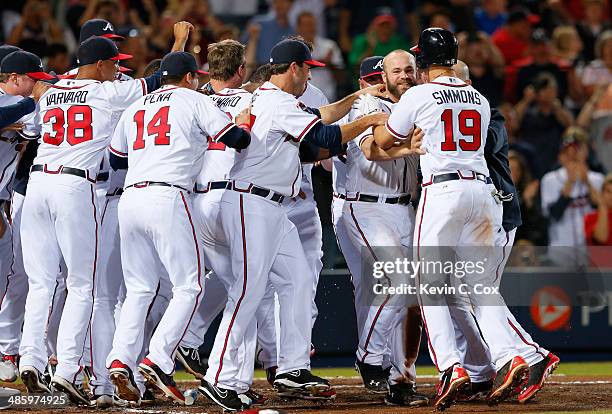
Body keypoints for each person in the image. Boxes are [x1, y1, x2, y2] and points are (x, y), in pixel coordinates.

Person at [199, 39, 389, 410]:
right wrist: (369, 119)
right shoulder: (276, 101)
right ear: (294, 68)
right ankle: (219, 377)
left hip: (271, 206)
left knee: (299, 279)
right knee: (248, 291)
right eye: (308, 68)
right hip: (249, 201)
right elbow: (324, 137)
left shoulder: (275, 100)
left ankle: (293, 366)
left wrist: (354, 101)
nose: (310, 74)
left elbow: (315, 129)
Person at [17, 21, 190, 403]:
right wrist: (178, 41)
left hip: (37, 184)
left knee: (42, 283)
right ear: (98, 66)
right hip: (75, 186)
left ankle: (29, 358)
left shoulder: (52, 88)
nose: (117, 69)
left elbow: (29, 131)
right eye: (113, 63)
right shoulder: (108, 92)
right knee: (83, 284)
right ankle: (65, 370)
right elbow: (161, 80)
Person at [374, 28, 529, 410]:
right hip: (482, 193)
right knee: (481, 288)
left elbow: (386, 140)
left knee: (428, 284)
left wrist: (377, 117)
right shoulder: (478, 97)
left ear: (423, 62)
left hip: (444, 191)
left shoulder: (418, 93)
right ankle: (510, 356)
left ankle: (451, 367)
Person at [106, 50, 249, 405]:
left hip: (130, 199)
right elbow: (236, 139)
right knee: (190, 286)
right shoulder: (192, 98)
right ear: (188, 77)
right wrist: (244, 123)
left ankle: (120, 359)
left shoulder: (137, 105)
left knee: (139, 290)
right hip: (168, 196)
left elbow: (116, 158)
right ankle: (159, 357)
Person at [453, 59, 560, 404]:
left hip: (496, 215)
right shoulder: (464, 112)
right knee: (472, 293)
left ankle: (533, 356)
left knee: (478, 292)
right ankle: (501, 364)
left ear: (461, 81)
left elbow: (483, 145)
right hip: (481, 215)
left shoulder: (487, 112)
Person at [342, 50, 427, 407]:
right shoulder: (365, 108)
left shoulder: (417, 106)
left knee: (411, 300)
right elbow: (371, 150)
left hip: (405, 208)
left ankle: (401, 379)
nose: (400, 76)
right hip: (367, 206)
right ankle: (369, 356)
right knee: (397, 284)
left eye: (409, 69)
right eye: (391, 73)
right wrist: (410, 147)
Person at [541, 128, 605, 266]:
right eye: (567, 153)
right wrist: (570, 183)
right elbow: (554, 215)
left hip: (590, 251)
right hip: (561, 251)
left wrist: (587, 182)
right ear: (560, 157)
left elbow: (601, 209)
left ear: (584, 153)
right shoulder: (550, 179)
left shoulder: (597, 179)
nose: (571, 156)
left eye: (575, 152)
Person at [515, 73, 574, 178]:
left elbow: (570, 125)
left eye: (550, 89)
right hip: (530, 160)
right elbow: (513, 124)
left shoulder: (559, 111)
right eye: (543, 89)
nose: (546, 92)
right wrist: (525, 100)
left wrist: (555, 106)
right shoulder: (528, 111)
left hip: (553, 160)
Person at [296, 11, 345, 101]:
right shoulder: (292, 49)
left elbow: (341, 77)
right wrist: (322, 63)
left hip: (328, 98)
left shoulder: (329, 46)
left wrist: (330, 64)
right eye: (305, 25)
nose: (309, 28)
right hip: (300, 99)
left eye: (311, 24)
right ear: (298, 27)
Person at [241, 0, 296, 66]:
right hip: (256, 70)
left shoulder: (294, 31)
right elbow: (241, 49)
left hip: (282, 71)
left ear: (291, 4)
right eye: (276, 1)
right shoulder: (258, 23)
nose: (279, 4)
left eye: (283, 1)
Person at [585, 173, 612, 246]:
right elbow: (601, 238)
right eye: (608, 191)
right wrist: (602, 206)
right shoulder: (590, 218)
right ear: (602, 193)